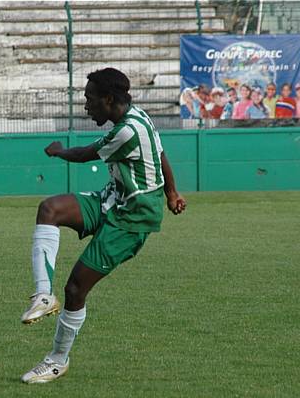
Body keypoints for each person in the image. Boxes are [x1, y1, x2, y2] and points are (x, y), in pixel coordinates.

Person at [19, 68, 186, 383]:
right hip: (113, 198)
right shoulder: (138, 117)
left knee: (75, 289)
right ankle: (42, 295)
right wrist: (173, 192)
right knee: (50, 209)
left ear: (109, 100)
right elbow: (160, 152)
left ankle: (56, 360)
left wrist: (57, 152)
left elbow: (85, 154)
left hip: (133, 216)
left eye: (90, 99)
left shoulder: (127, 131)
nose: (86, 106)